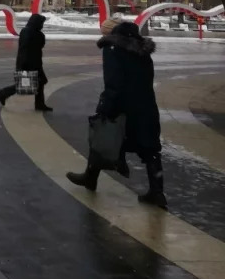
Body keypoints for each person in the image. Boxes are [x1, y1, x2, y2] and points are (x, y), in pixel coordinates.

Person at [66, 20, 166, 208]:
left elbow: (114, 82)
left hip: (123, 107)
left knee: (101, 137)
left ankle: (90, 177)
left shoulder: (113, 48)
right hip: (145, 106)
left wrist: (106, 107)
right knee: (150, 149)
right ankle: (157, 192)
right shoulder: (143, 50)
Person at [0, 13, 52, 112]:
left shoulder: (26, 31)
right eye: (41, 23)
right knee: (26, 84)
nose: (42, 25)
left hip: (31, 62)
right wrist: (24, 64)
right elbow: (31, 48)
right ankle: (4, 92)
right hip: (30, 63)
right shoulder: (35, 33)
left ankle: (39, 104)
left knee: (39, 82)